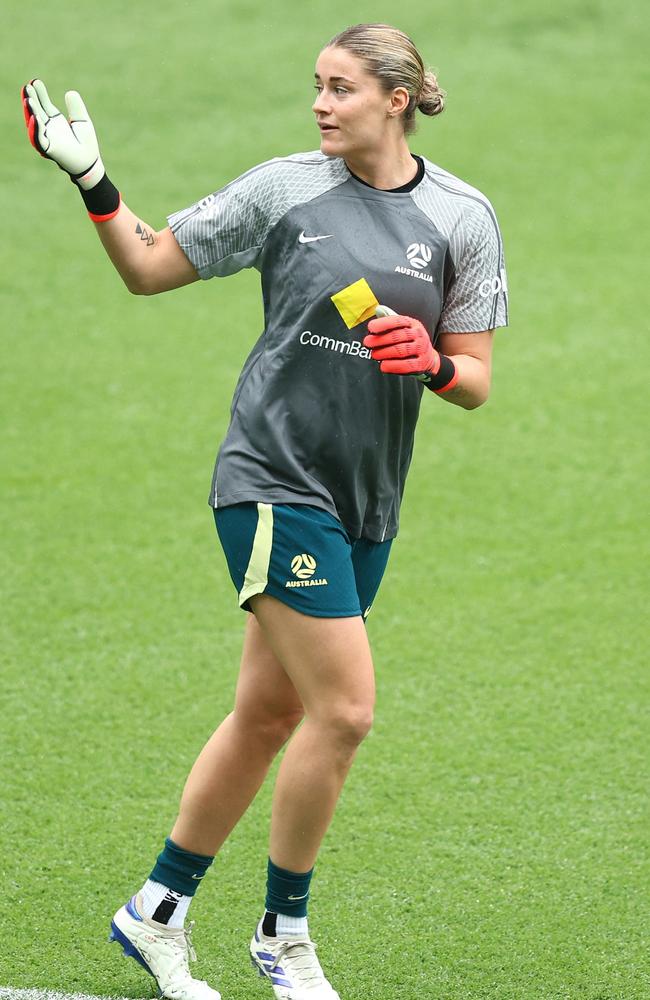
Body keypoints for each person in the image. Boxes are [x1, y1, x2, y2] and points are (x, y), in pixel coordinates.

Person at [22, 22, 508, 1000]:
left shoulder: (461, 216)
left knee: (268, 712)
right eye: (316, 86)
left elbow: (477, 378)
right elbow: (149, 266)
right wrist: (93, 182)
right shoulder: (284, 191)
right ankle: (283, 937)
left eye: (340, 89)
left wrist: (435, 364)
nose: (321, 104)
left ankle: (154, 910)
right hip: (270, 481)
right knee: (344, 708)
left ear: (395, 98)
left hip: (364, 500)